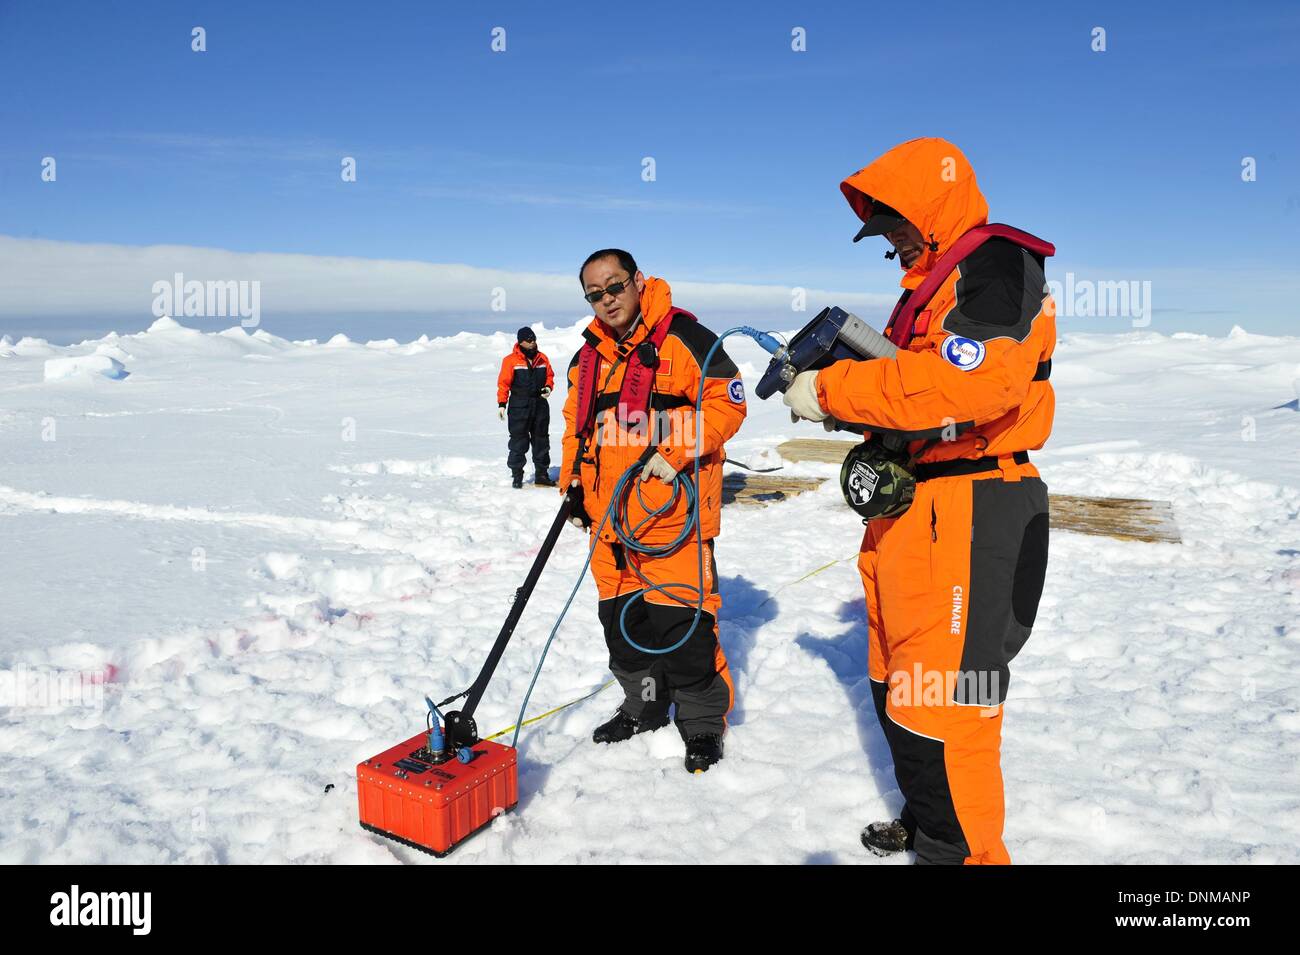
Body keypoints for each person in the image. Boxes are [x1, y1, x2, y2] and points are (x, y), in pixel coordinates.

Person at [783, 137, 1055, 864]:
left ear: (931, 206)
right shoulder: (929, 287)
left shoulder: (994, 264)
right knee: (900, 688)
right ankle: (931, 822)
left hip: (973, 513)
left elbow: (975, 386)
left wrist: (831, 390)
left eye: (897, 222)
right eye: (881, 231)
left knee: (952, 711)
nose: (892, 241)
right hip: (915, 516)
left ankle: (961, 850)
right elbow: (919, 388)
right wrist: (847, 391)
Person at [559, 248, 747, 773]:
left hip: (670, 521)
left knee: (682, 630)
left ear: (638, 281)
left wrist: (673, 451)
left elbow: (728, 405)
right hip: (608, 525)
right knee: (624, 629)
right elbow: (578, 427)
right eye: (594, 294)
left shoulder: (686, 340)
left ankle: (703, 725)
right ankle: (642, 706)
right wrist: (571, 485)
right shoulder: (587, 357)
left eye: (614, 286)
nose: (607, 300)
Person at [497, 326, 555, 488]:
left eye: (534, 339)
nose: (532, 343)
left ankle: (542, 475)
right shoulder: (510, 361)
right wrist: (502, 404)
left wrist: (548, 388)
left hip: (540, 405)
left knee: (541, 441)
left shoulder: (542, 358)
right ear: (520, 342)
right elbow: (503, 384)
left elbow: (550, 376)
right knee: (518, 441)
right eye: (528, 340)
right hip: (519, 406)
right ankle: (517, 476)